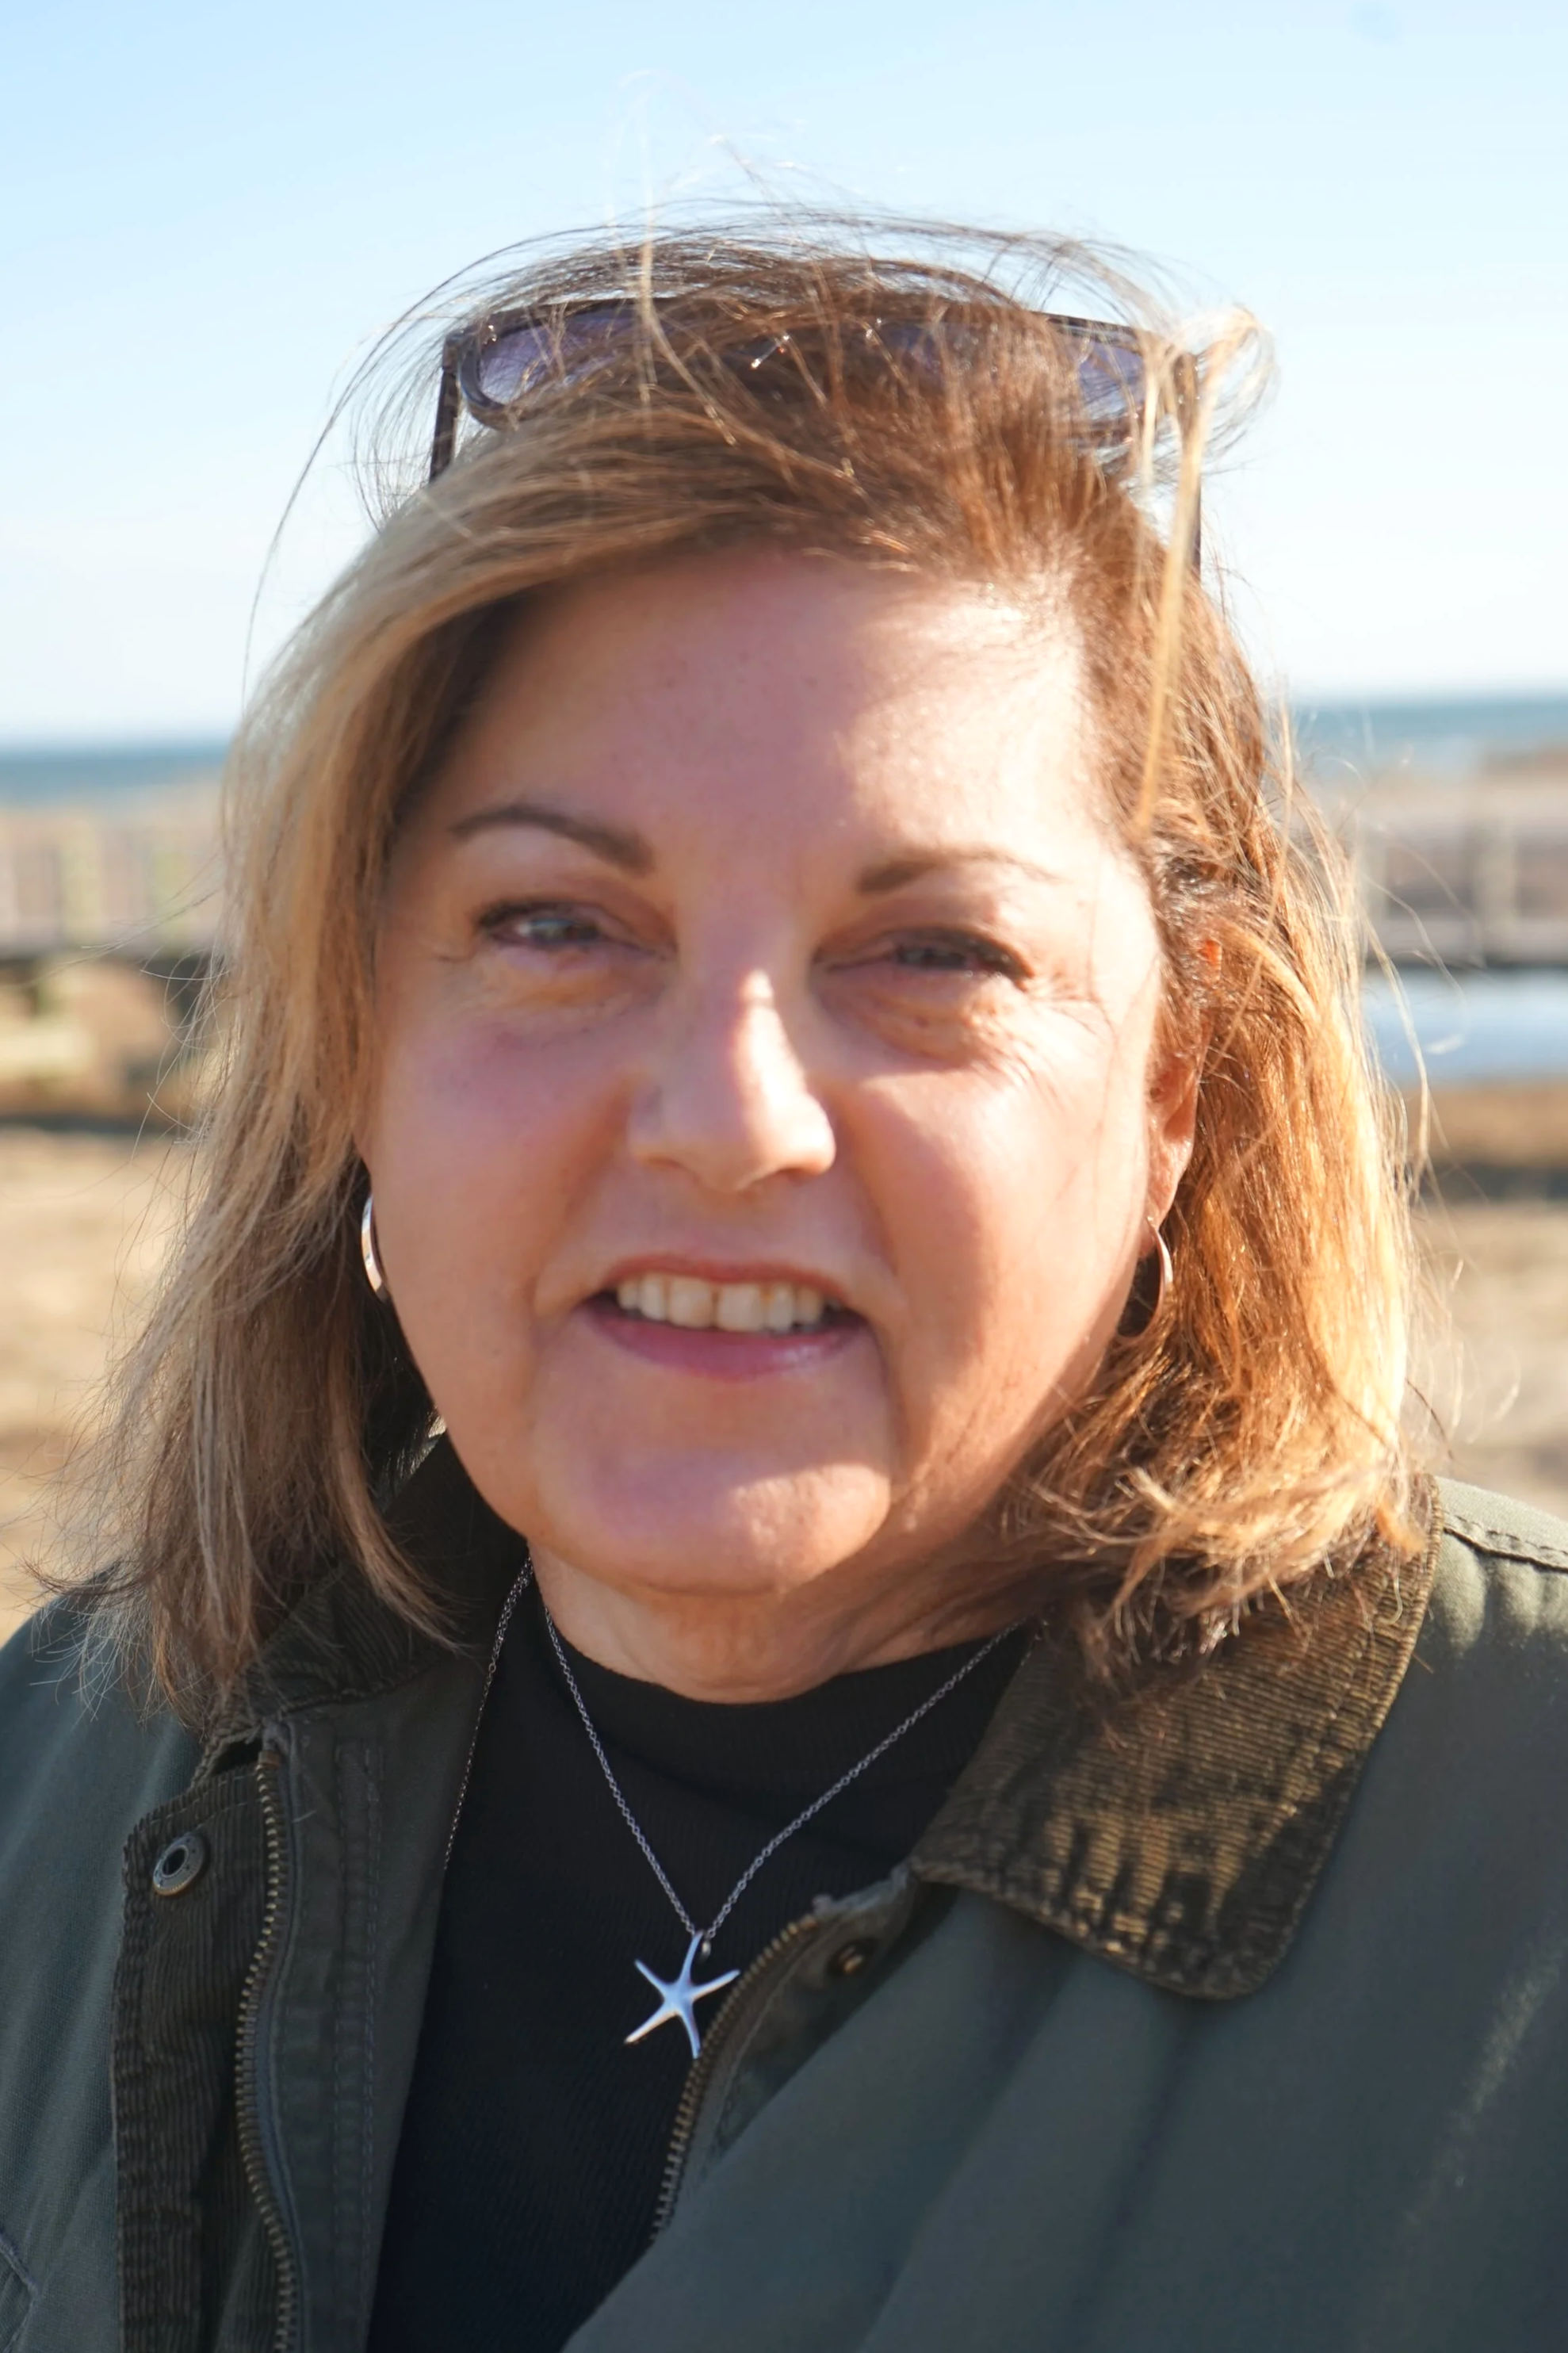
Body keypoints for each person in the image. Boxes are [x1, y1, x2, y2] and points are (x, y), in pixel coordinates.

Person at [3, 219, 1567, 2353]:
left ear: (1179, 1079)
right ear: (362, 1033)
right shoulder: (64, 1787)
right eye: (558, 924)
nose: (733, 1119)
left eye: (931, 953)